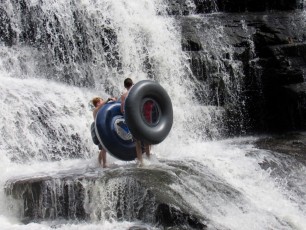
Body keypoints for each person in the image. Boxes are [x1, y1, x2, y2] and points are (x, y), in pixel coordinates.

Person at [120, 78, 150, 166]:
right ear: (132, 83)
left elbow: (122, 110)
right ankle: (148, 156)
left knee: (137, 141)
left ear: (125, 86)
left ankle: (140, 161)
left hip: (132, 120)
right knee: (146, 138)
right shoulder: (140, 92)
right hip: (142, 117)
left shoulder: (124, 96)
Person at [91, 96, 116, 168]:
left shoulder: (101, 109)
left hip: (101, 129)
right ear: (98, 103)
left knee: (102, 147)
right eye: (102, 101)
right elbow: (102, 106)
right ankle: (104, 164)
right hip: (98, 130)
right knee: (103, 147)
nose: (103, 102)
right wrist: (108, 100)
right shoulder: (96, 110)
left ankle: (99, 162)